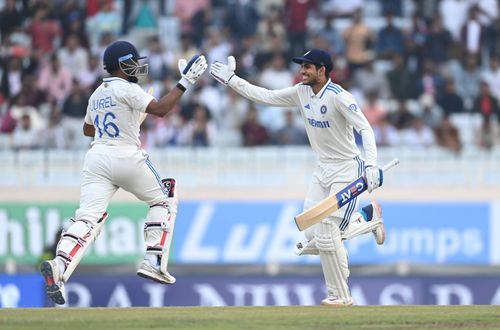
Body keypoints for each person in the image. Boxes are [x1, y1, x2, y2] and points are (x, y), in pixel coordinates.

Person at [210, 49, 384, 306]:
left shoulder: (339, 97)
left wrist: (371, 165)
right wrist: (233, 80)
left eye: (307, 67)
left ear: (322, 69)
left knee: (327, 231)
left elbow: (365, 128)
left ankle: (340, 296)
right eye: (301, 67)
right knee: (314, 233)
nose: (302, 71)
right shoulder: (301, 92)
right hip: (322, 169)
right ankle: (369, 218)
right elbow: (266, 96)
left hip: (348, 169)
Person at [39, 40, 208, 305]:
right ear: (121, 64)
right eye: (133, 62)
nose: (138, 67)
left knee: (88, 218)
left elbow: (87, 129)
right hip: (125, 154)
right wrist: (185, 81)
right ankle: (153, 259)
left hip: (96, 158)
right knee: (164, 197)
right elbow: (161, 110)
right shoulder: (128, 88)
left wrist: (119, 122)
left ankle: (59, 265)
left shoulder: (97, 93)